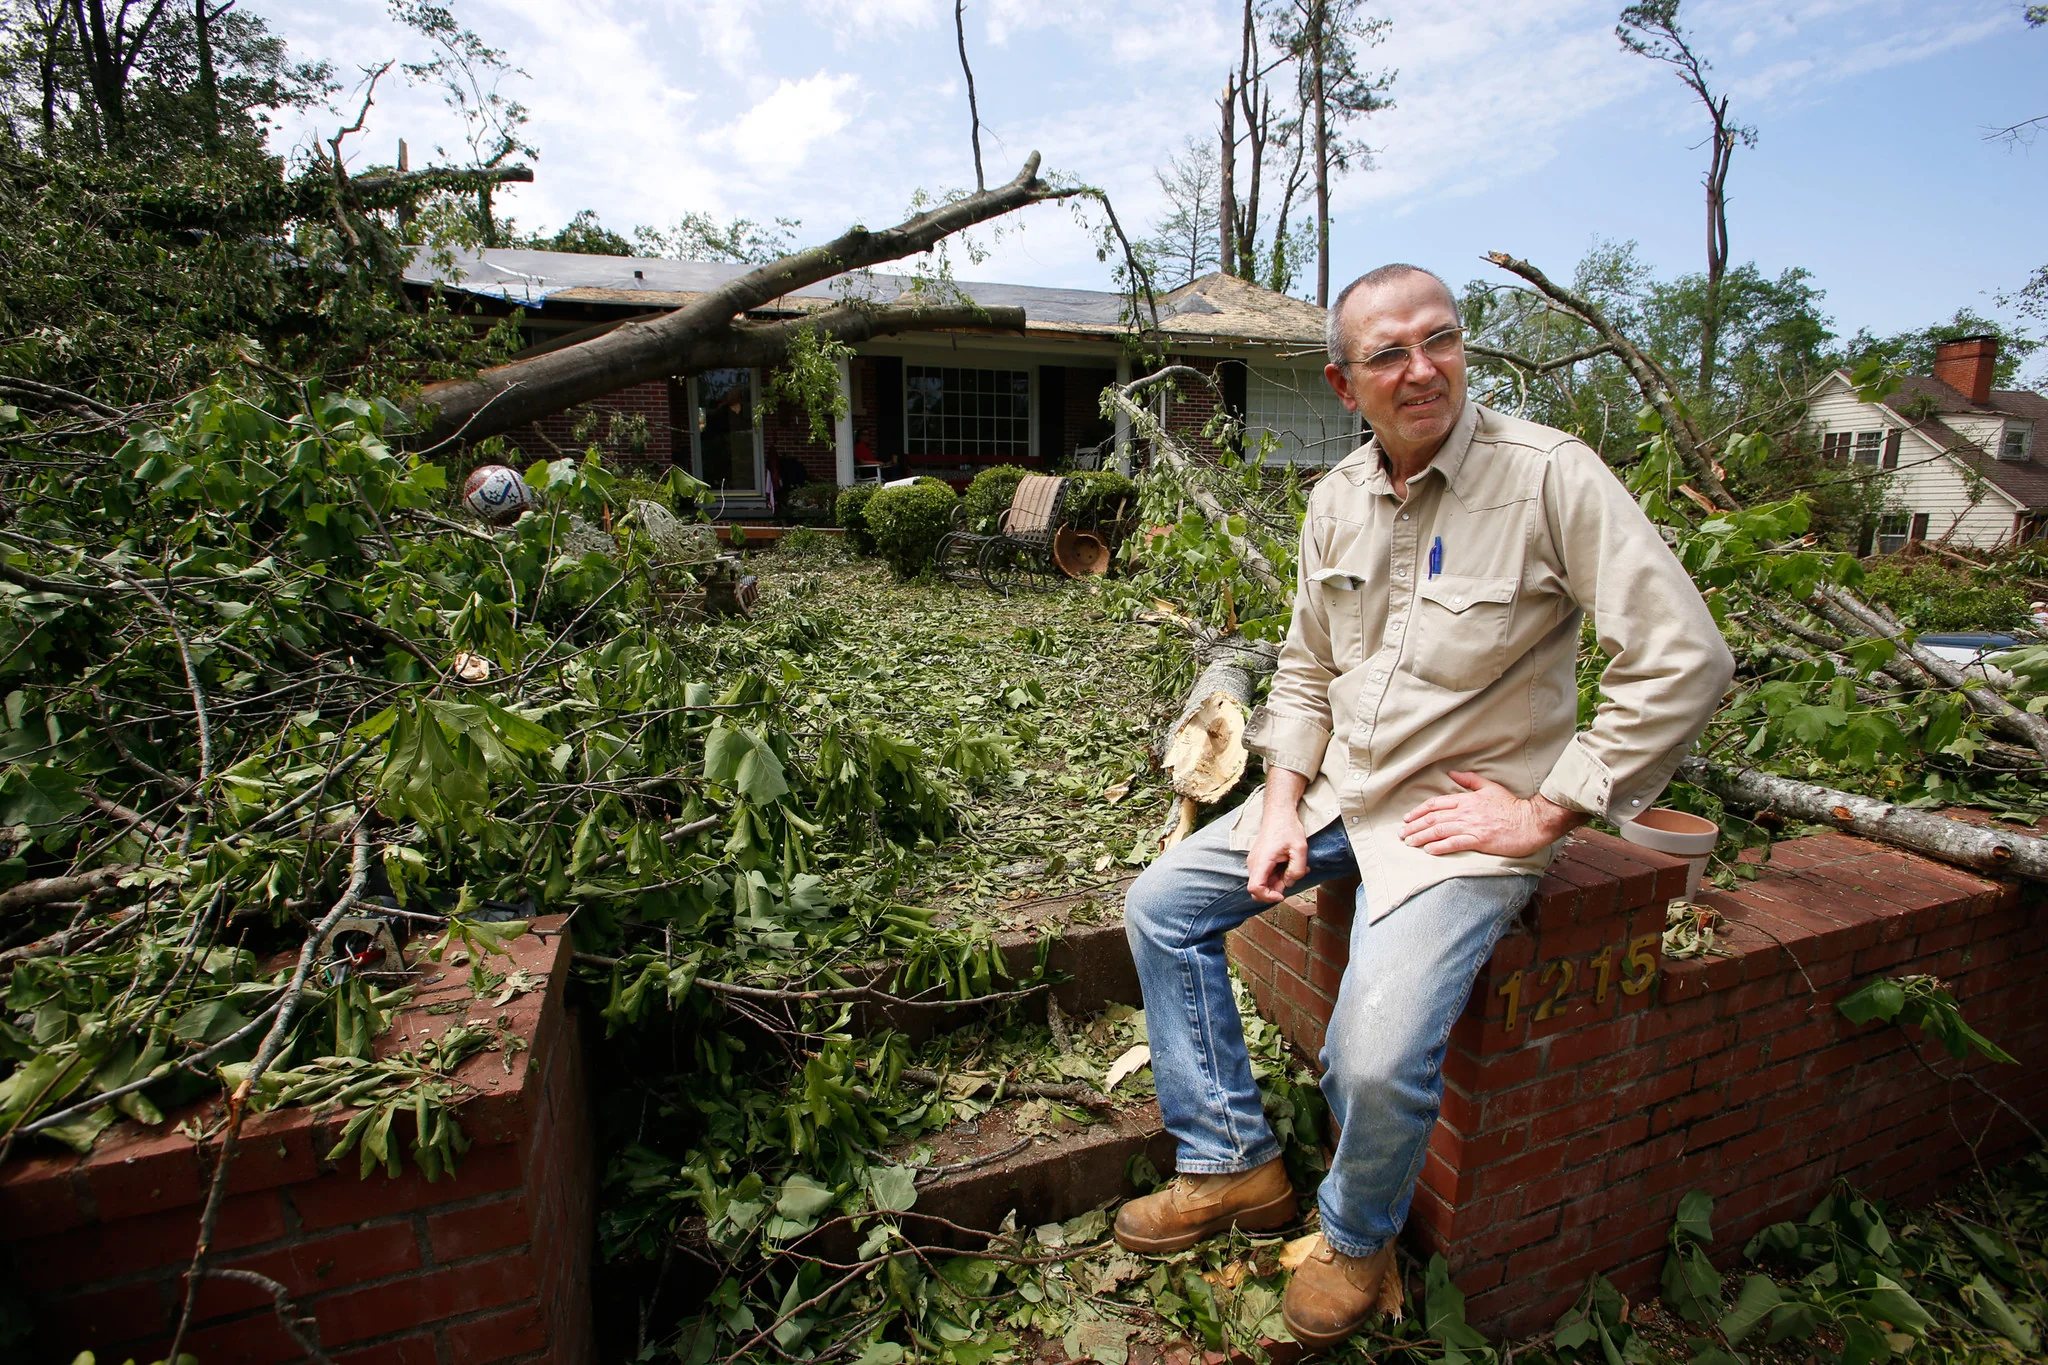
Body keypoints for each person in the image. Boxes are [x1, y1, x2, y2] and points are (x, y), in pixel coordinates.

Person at [1112, 264, 1734, 1346]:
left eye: (1437, 340)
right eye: (1387, 354)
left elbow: (1682, 658)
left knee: (1370, 1051)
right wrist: (1275, 800)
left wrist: (1548, 812)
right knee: (1160, 903)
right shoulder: (1332, 501)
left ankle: (1356, 1237)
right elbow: (1303, 672)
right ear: (1342, 384)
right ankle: (1231, 1167)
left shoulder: (1549, 476)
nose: (1420, 369)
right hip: (1339, 795)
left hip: (1461, 823)